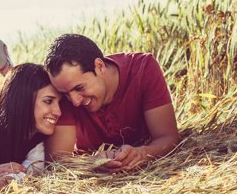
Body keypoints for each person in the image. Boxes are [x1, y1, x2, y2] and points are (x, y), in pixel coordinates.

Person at [43, 34, 180, 173]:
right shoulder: (64, 90)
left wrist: (142, 154)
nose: (75, 102)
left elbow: (169, 137)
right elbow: (56, 160)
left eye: (80, 88)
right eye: (65, 94)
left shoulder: (143, 68)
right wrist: (91, 163)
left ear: (99, 67)